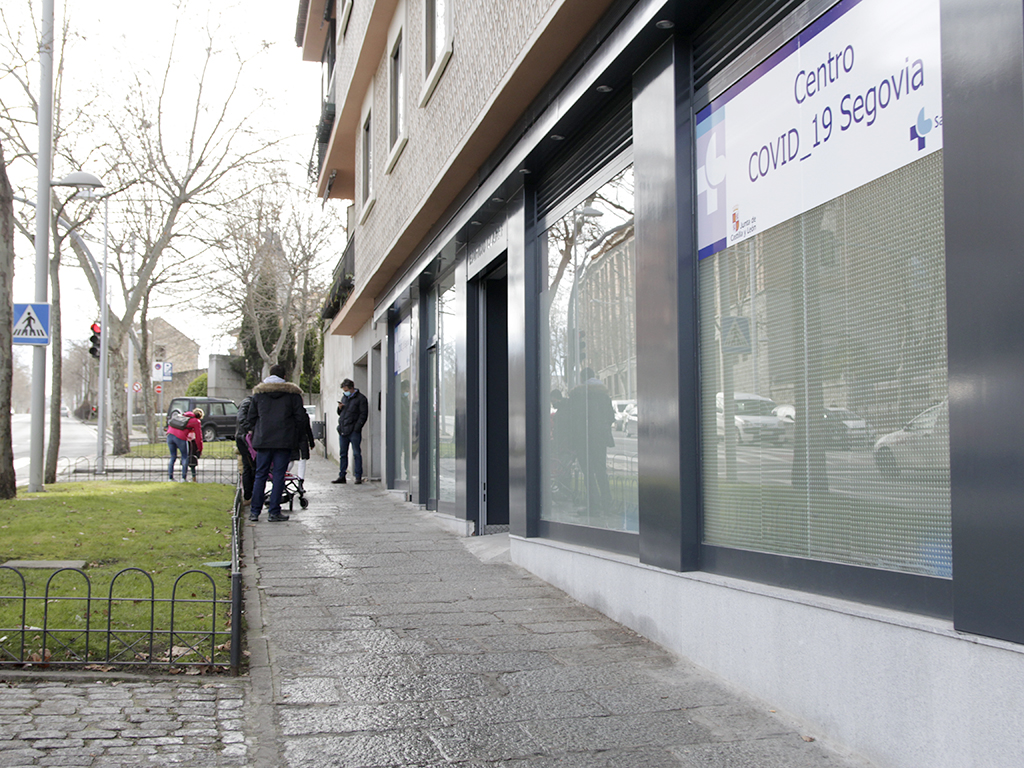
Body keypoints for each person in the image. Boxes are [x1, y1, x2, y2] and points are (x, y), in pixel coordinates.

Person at [244, 365, 307, 522]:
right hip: (284, 441)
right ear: (284, 377)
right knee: (279, 475)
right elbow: (301, 418)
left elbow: (250, 418)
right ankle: (274, 511)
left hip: (263, 440)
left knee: (261, 474)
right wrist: (295, 435)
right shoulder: (293, 395)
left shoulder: (259, 395)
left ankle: (254, 512)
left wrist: (257, 431)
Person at [566, 368, 615, 511]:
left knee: (587, 471)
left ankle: (593, 503)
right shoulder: (604, 395)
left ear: (582, 379)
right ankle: (607, 501)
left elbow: (572, 420)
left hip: (582, 439)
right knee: (600, 470)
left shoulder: (576, 395)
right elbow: (611, 417)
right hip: (600, 439)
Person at [332, 378, 369, 484]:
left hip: (353, 431)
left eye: (346, 389)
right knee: (343, 454)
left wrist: (356, 428)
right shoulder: (344, 398)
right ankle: (342, 475)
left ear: (352, 388)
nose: (345, 392)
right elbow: (342, 414)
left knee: (356, 453)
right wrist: (339, 408)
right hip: (343, 429)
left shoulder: (361, 399)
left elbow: (363, 415)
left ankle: (358, 475)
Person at [167, 408, 204, 482]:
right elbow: (198, 437)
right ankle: (183, 478)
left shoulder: (182, 416)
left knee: (172, 457)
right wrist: (200, 449)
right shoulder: (196, 421)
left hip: (169, 436)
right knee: (184, 457)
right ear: (199, 417)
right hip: (180, 438)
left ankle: (170, 478)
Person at [235, 395, 254, 503]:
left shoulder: (245, 402)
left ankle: (248, 494)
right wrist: (251, 429)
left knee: (248, 466)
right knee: (248, 466)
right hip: (244, 438)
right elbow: (242, 418)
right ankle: (248, 495)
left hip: (242, 436)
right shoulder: (248, 403)